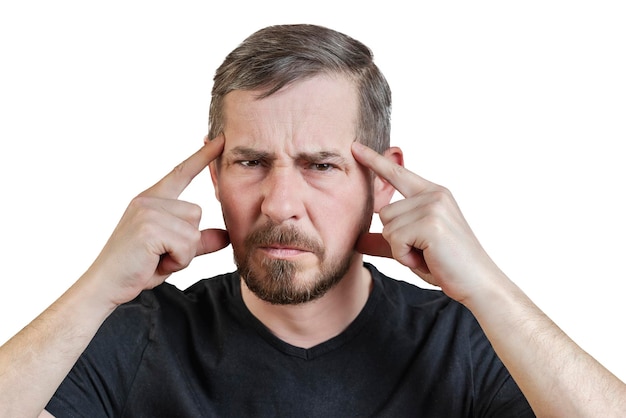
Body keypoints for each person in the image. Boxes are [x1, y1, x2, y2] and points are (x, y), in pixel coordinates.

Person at [1, 24, 625, 418]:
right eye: (250, 162)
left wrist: (489, 289)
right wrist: (96, 290)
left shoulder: (467, 343)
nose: (279, 203)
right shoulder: (138, 337)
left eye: (320, 164)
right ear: (214, 176)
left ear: (383, 178)